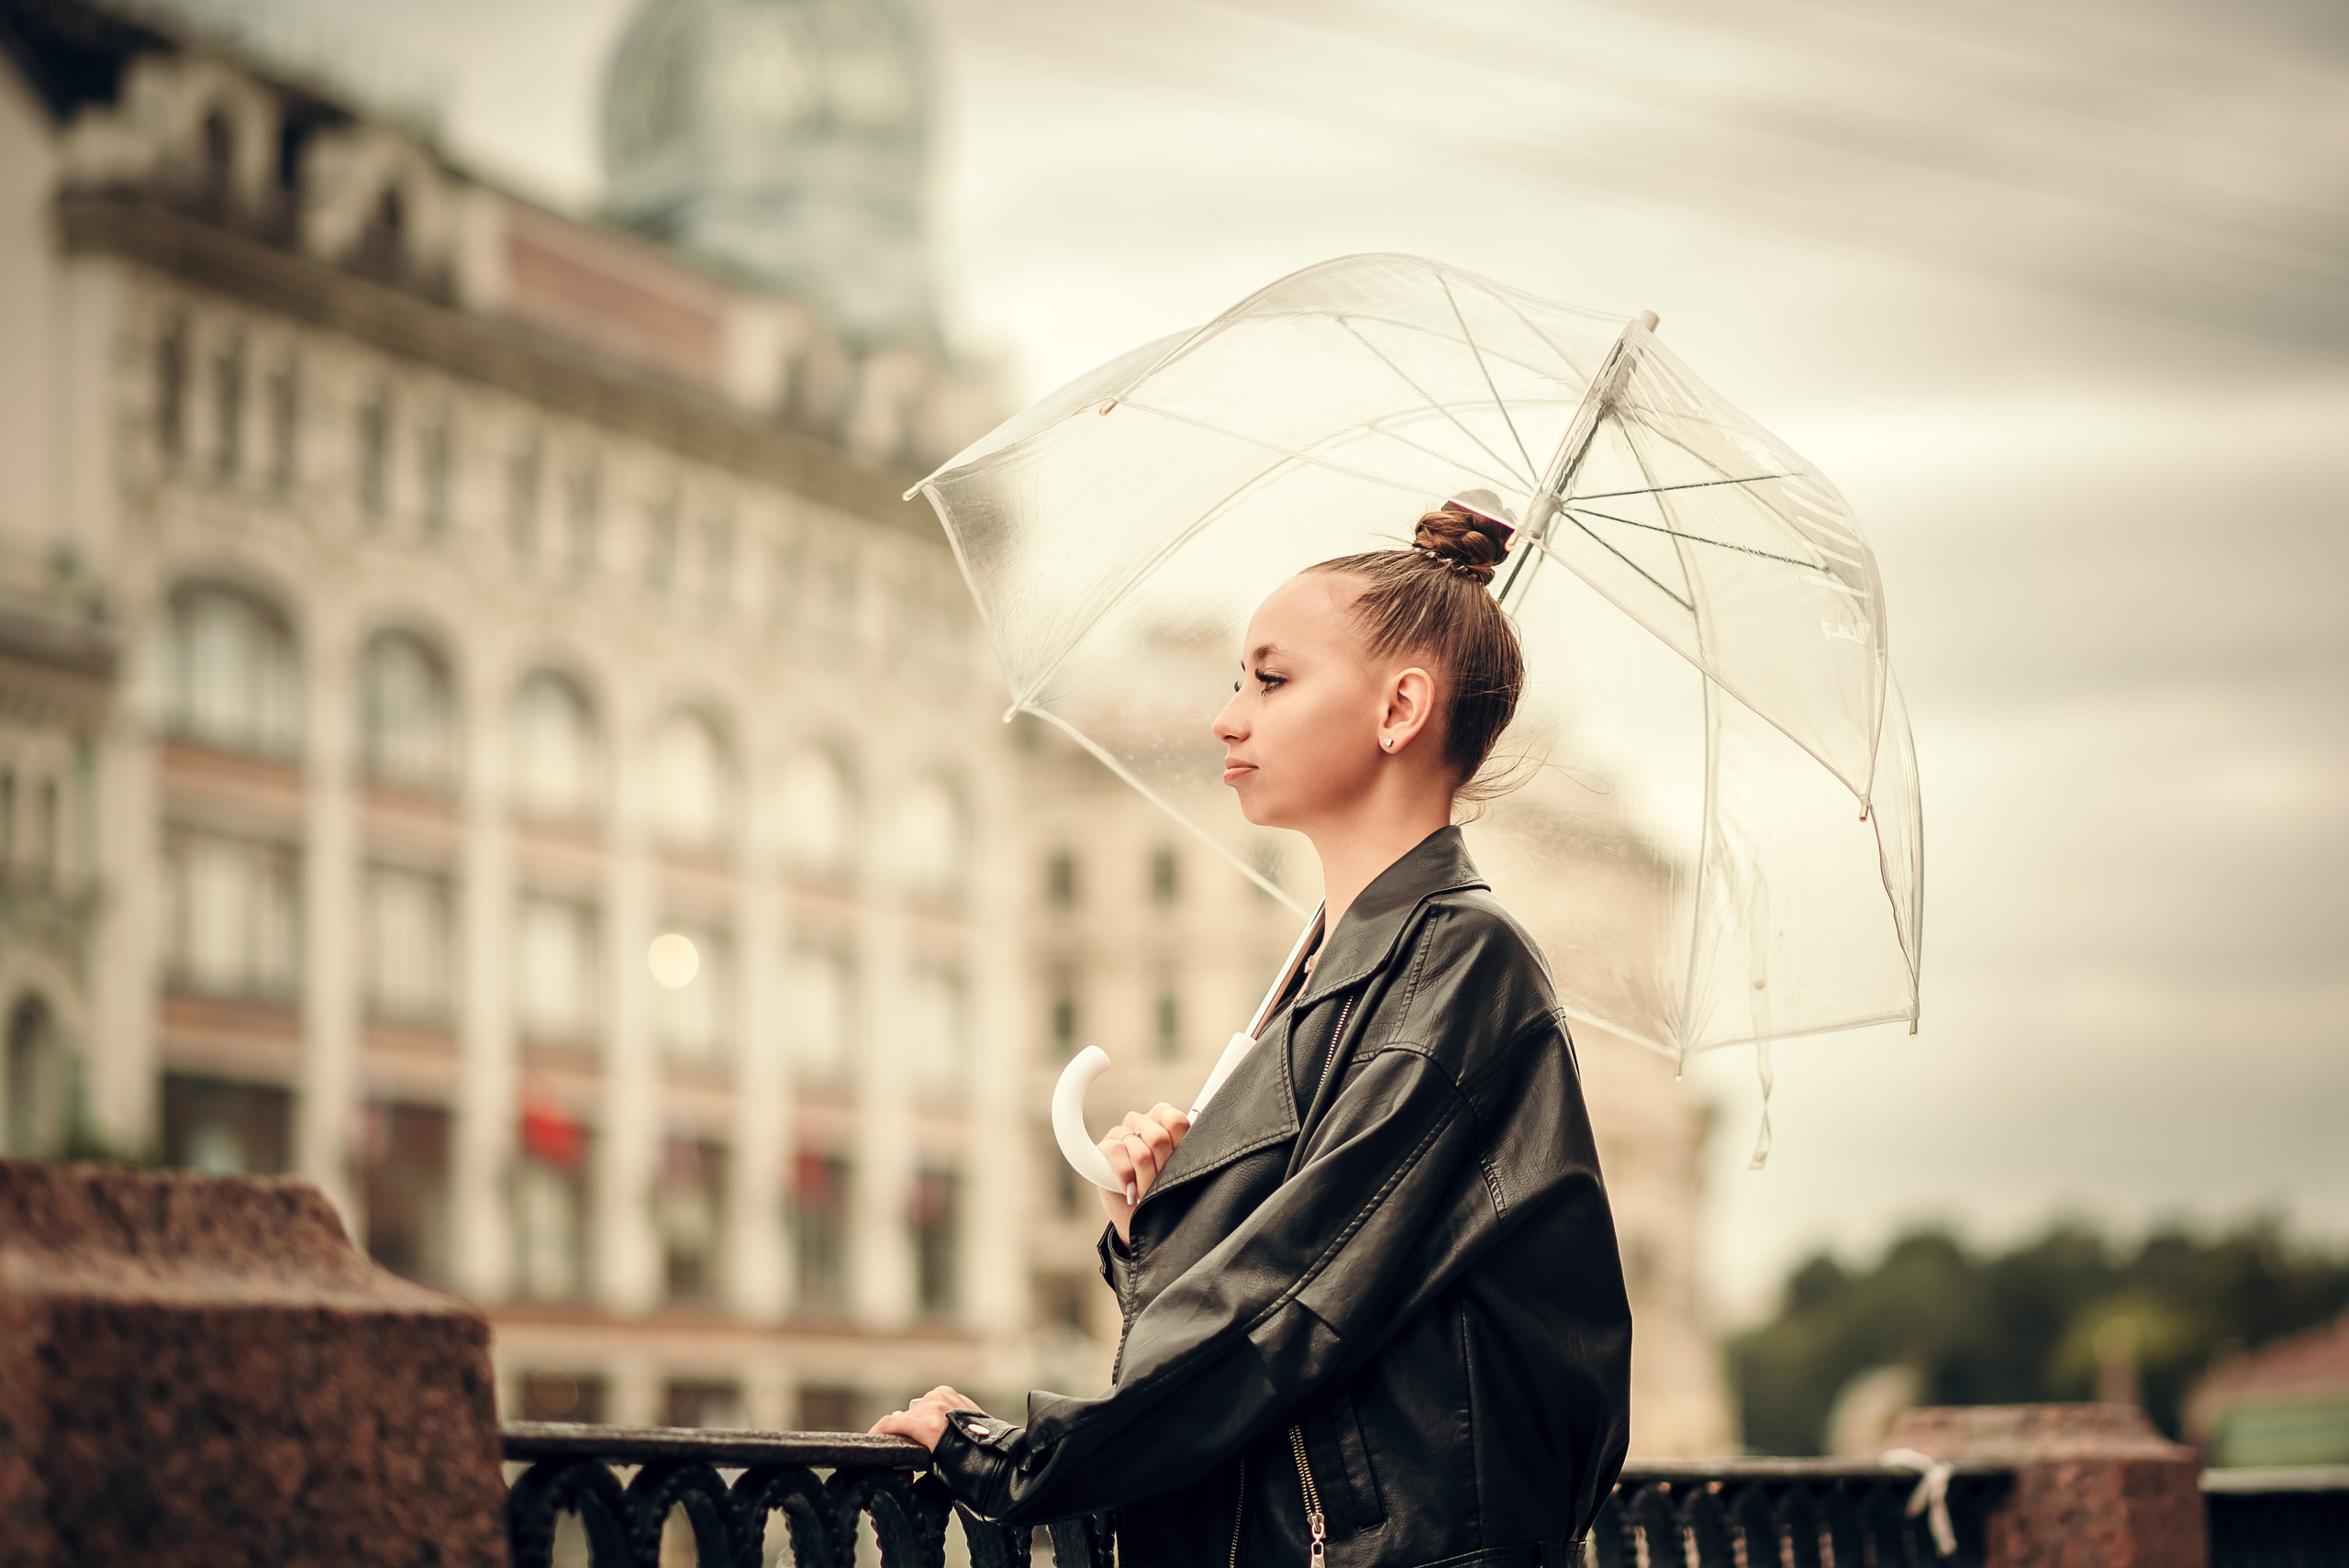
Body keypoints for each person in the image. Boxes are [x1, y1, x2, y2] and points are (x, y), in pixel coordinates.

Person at [874, 498, 1632, 1567]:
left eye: (1270, 680)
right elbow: (1288, 1304)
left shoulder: (1459, 959)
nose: (1228, 718)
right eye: (1238, 680)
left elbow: (1289, 1306)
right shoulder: (1343, 956)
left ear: (1400, 706)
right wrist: (1152, 1224)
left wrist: (1013, 1456)